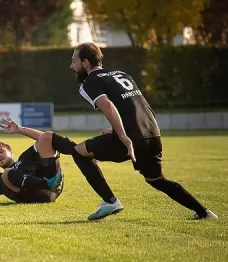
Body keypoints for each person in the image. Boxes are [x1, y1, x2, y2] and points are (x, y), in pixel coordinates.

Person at [50, 42, 218, 220]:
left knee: (79, 152)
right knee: (156, 179)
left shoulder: (89, 82)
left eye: (73, 61)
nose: (71, 66)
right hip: (152, 133)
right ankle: (204, 212)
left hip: (131, 137)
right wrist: (117, 130)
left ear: (85, 63)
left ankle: (110, 201)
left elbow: (108, 105)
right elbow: (139, 105)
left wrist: (123, 136)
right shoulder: (122, 74)